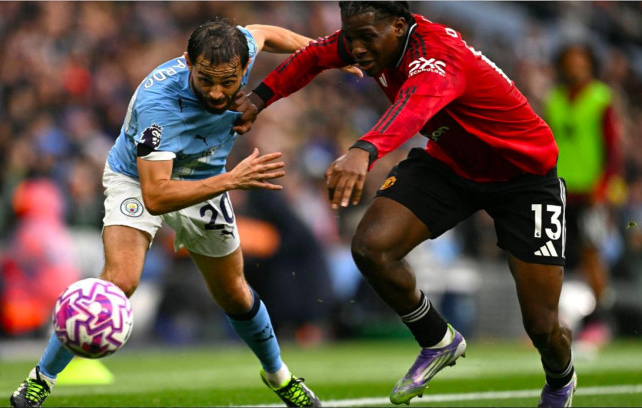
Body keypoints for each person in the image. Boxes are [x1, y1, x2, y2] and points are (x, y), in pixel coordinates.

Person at [241, 2, 576, 406]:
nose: (356, 49)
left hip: (523, 177)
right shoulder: (368, 37)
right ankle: (437, 339)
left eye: (367, 38)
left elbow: (414, 105)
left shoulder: (437, 57)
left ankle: (560, 382)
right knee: (371, 247)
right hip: (452, 163)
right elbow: (311, 57)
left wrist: (364, 149)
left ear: (399, 26)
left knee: (541, 324)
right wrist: (257, 99)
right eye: (350, 37)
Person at [9, 18, 342, 408]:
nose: (217, 92)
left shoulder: (236, 51)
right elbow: (156, 196)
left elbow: (266, 33)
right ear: (187, 62)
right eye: (206, 81)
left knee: (235, 294)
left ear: (242, 65)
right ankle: (41, 379)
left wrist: (322, 50)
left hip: (204, 175)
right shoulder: (159, 108)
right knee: (119, 282)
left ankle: (278, 376)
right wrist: (231, 180)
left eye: (228, 82)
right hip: (138, 179)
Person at [545, 44, 622, 353]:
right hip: (557, 189)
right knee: (550, 254)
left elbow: (612, 148)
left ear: (590, 65)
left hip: (591, 192)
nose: (575, 68)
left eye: (580, 62)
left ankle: (600, 321)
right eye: (569, 62)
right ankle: (551, 322)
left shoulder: (601, 98)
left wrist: (604, 187)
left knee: (591, 255)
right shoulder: (554, 99)